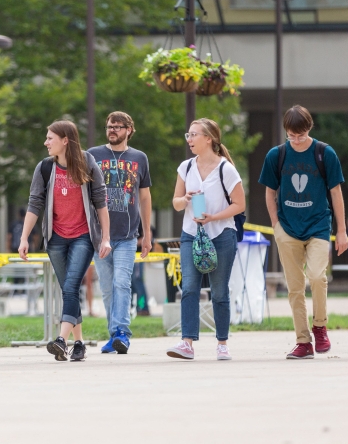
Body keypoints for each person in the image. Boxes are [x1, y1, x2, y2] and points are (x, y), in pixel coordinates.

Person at [258, 105, 348, 360]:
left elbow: (336, 192)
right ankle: (303, 341)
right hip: (287, 229)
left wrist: (341, 230)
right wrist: (276, 225)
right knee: (295, 287)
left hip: (318, 225)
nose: (296, 140)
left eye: (301, 135)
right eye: (291, 135)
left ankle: (320, 326)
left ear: (309, 128)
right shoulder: (277, 155)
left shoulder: (324, 153)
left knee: (318, 277)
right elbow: (269, 191)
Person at [18, 120, 111, 362]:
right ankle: (78, 344)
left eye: (50, 138)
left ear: (65, 140)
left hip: (83, 236)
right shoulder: (45, 168)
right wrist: (24, 237)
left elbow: (101, 202)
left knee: (71, 288)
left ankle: (61, 340)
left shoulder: (87, 163)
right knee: (68, 291)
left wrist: (106, 238)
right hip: (56, 238)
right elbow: (34, 203)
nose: (46, 142)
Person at [166, 118, 245, 361]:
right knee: (189, 287)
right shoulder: (186, 167)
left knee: (219, 290)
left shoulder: (226, 169)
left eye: (193, 135)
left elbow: (240, 205)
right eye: (187, 135)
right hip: (191, 234)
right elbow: (176, 202)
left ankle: (222, 342)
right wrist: (186, 198)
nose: (189, 139)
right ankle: (187, 342)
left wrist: (213, 217)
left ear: (208, 139)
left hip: (221, 234)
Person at [88, 111, 152, 354]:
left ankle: (122, 333)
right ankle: (113, 334)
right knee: (107, 287)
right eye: (109, 126)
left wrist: (147, 234)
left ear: (129, 130)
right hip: (99, 235)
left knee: (122, 282)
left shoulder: (139, 158)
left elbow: (144, 197)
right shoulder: (93, 155)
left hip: (127, 235)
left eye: (117, 126)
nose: (112, 130)